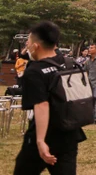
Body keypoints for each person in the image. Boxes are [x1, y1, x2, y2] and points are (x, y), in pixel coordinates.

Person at [14, 21, 87, 174]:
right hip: (69, 132)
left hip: (44, 135)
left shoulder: (34, 71)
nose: (27, 46)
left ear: (35, 46)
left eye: (28, 43)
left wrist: (40, 141)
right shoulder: (68, 63)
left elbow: (42, 105)